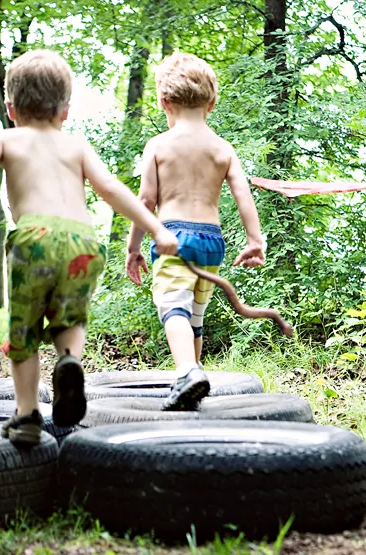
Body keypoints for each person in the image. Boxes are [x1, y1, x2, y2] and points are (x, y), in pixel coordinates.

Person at [0, 49, 178, 445]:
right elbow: (112, 189)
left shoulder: (8, 138)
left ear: (11, 108)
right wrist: (156, 229)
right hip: (83, 241)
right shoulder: (76, 146)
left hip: (34, 239)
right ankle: (69, 361)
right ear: (65, 111)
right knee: (70, 318)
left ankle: (27, 414)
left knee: (25, 330)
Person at [125, 52, 265, 411]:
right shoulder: (222, 148)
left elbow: (145, 201)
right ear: (212, 102)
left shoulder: (158, 145)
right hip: (211, 242)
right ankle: (193, 380)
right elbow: (242, 194)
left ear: (163, 102)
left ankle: (187, 370)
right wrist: (254, 240)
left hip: (173, 238)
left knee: (173, 310)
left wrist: (133, 247)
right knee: (195, 317)